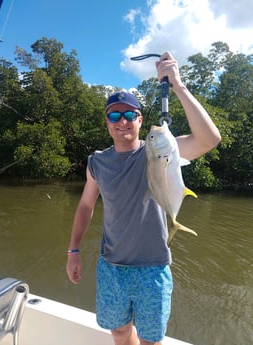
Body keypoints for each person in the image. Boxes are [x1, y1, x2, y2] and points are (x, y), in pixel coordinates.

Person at [66, 51, 221, 345]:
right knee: (120, 332)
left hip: (153, 267)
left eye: (129, 115)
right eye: (114, 115)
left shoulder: (157, 150)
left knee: (151, 340)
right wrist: (73, 251)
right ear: (107, 122)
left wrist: (178, 85)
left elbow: (209, 140)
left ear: (139, 120)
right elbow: (86, 206)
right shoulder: (96, 163)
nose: (122, 121)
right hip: (111, 267)